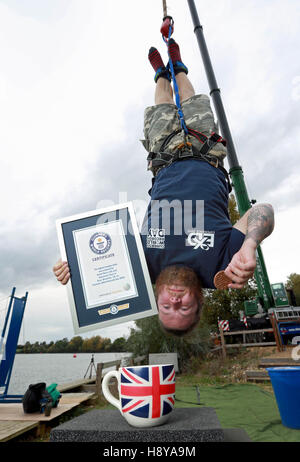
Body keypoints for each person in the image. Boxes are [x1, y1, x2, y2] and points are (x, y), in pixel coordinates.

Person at [53, 39, 274, 336]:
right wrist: (250, 244)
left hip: (164, 158)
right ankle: (179, 68)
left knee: (162, 105)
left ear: (156, 299)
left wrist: (73, 268)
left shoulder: (145, 268)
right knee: (192, 99)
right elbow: (263, 210)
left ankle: (160, 74)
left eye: (167, 308)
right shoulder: (222, 266)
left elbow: (100, 259)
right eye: (184, 308)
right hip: (205, 152)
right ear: (198, 301)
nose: (175, 301)